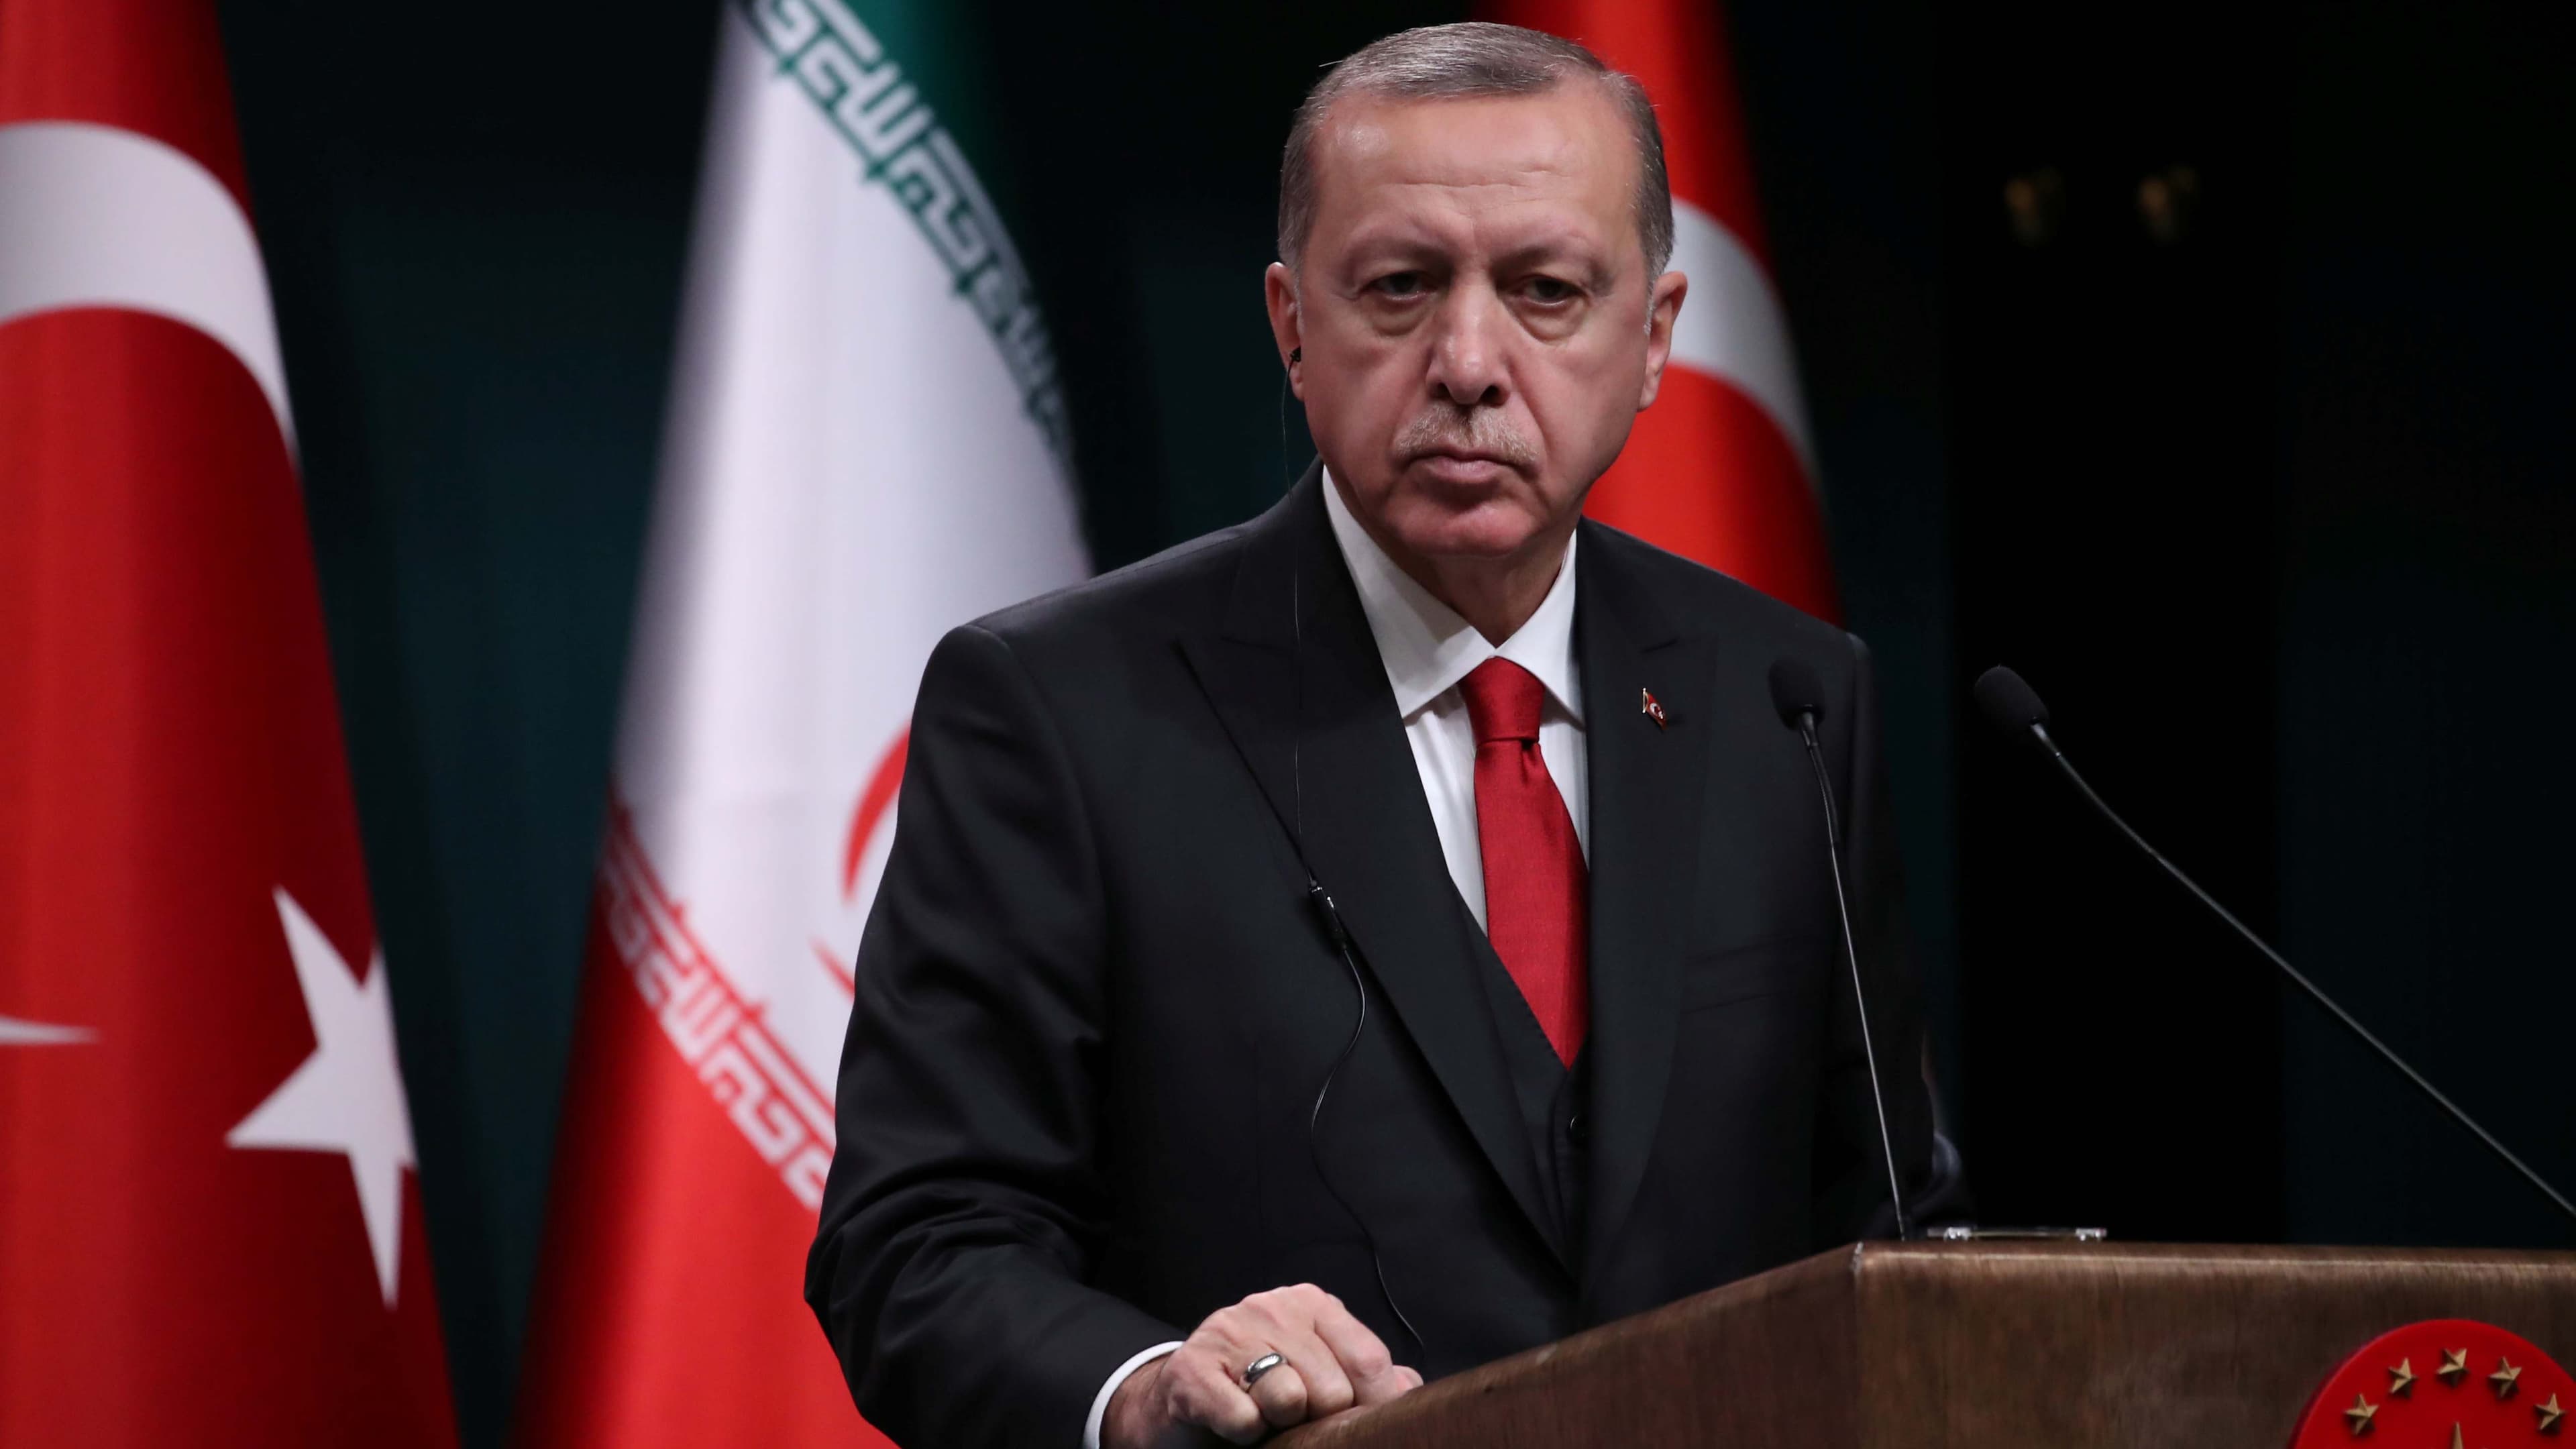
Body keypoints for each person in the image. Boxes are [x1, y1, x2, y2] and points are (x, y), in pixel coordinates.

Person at [806, 22, 1943, 1449]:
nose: (1468, 362)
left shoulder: (1789, 699)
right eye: (1401, 287)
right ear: (1293, 325)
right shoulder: (1057, 709)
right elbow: (916, 1247)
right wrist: (1150, 1385)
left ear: (1654, 338)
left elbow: (1889, 1228)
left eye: (1544, 291)